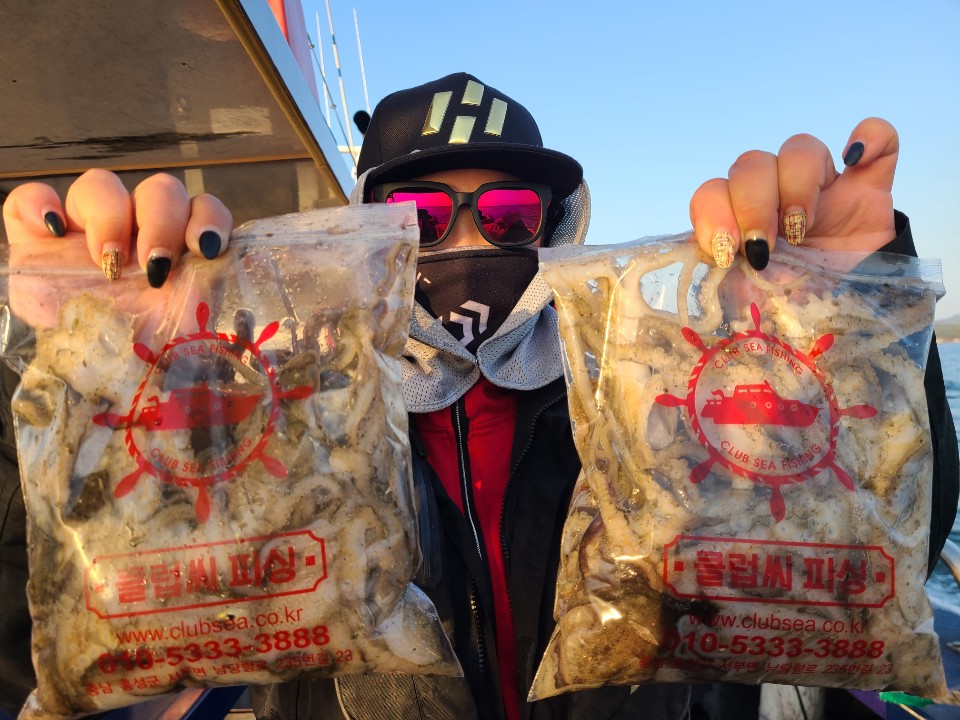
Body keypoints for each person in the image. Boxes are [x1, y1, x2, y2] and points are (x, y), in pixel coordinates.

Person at [1, 72, 957, 720]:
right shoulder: (287, 409)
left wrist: (853, 328)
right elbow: (67, 576)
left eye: (506, 214)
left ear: (554, 229)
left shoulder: (641, 393)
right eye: (418, 215)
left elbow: (874, 533)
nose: (465, 242)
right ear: (364, 235)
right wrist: (80, 370)